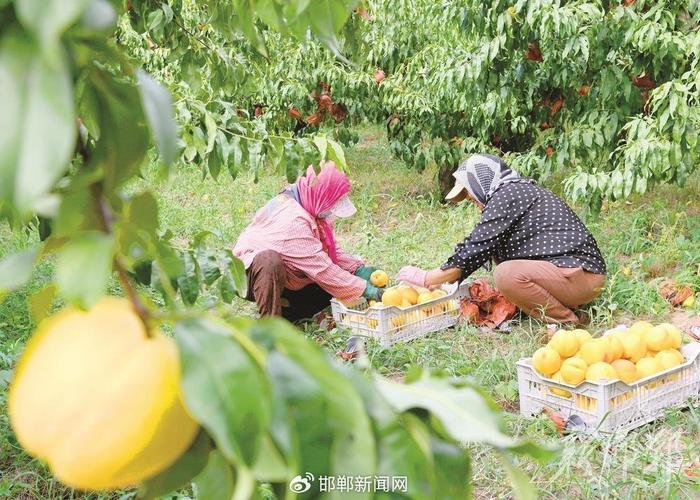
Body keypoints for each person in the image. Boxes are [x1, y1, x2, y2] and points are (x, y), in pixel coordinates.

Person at [397, 154, 606, 325]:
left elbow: (475, 249)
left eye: (470, 195)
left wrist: (427, 278)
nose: (473, 201)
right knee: (505, 267)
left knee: (506, 275)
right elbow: (480, 246)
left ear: (482, 180)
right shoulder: (513, 191)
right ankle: (565, 306)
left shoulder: (508, 194)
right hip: (573, 274)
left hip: (582, 275)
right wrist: (446, 279)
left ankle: (568, 321)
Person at [233, 162, 383, 321]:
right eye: (330, 205)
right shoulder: (294, 224)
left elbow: (325, 250)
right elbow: (323, 270)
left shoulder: (304, 200)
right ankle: (271, 327)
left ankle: (287, 309)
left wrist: (356, 269)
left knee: (332, 290)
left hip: (282, 272)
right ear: (320, 195)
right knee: (270, 261)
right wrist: (365, 289)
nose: (330, 211)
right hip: (245, 274)